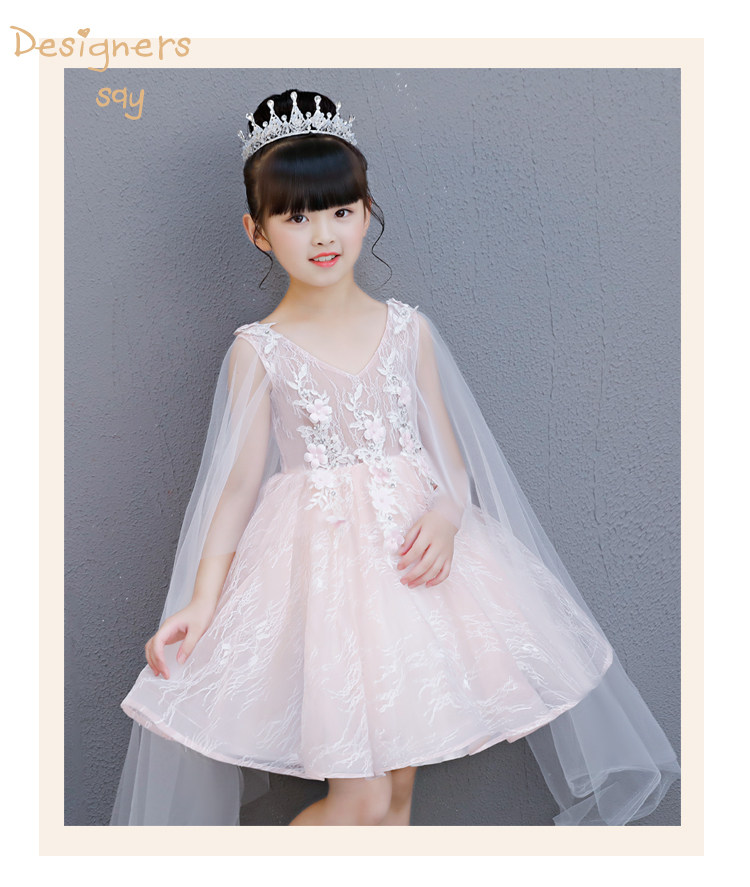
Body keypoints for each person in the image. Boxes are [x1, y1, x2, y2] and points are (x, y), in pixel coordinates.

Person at [109, 89, 680, 827]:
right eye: (296, 216)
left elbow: (450, 458)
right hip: (319, 581)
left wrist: (446, 513)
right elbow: (238, 486)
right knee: (363, 796)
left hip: (413, 577)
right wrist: (201, 600)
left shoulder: (408, 331)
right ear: (257, 231)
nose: (324, 233)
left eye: (340, 210)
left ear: (366, 211)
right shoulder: (260, 351)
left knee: (398, 798)